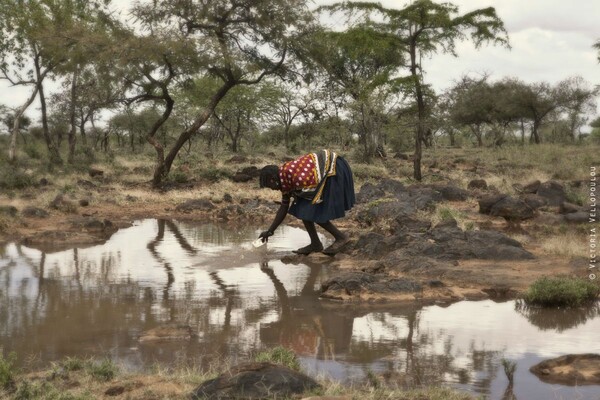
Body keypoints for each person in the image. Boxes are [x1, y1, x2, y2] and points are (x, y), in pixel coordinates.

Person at [258, 149, 355, 255]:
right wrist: (270, 231)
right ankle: (315, 244)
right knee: (303, 208)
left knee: (311, 209)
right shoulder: (284, 180)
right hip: (322, 175)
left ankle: (341, 238)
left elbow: (312, 196)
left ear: (272, 179)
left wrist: (309, 205)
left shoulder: (292, 174)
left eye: (269, 185)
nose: (272, 189)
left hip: (333, 168)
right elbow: (284, 207)